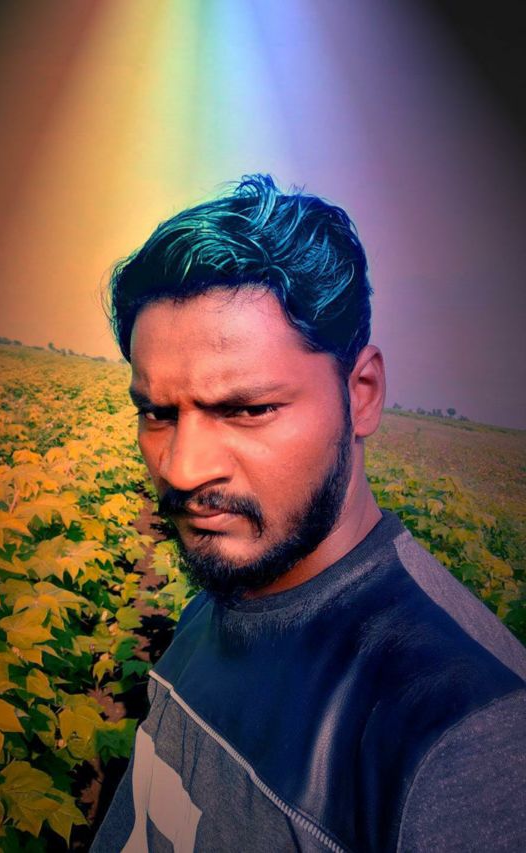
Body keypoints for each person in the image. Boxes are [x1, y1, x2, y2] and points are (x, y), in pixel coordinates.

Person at [91, 175, 526, 852]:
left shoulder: (470, 738)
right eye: (157, 412)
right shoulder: (226, 589)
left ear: (363, 394)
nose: (181, 469)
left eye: (247, 409)